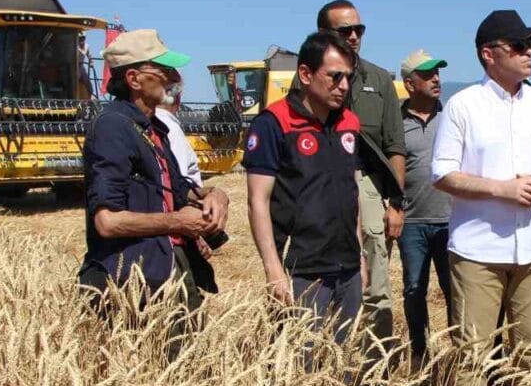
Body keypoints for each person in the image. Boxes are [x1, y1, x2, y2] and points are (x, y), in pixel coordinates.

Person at [431, 10, 531, 386]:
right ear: (488, 54)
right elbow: (442, 173)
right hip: (477, 251)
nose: (529, 52)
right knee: (473, 351)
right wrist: (501, 190)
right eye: (519, 45)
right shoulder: (462, 106)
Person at [78, 29, 228, 357]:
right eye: (162, 71)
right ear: (133, 78)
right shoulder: (112, 128)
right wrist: (177, 223)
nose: (173, 77)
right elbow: (107, 222)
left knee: (189, 374)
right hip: (131, 280)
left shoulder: (153, 129)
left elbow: (179, 188)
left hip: (166, 272)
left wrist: (215, 195)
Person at [244, 31, 363, 342]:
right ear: (306, 74)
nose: (344, 86)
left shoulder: (349, 122)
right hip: (302, 271)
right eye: (335, 77)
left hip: (348, 268)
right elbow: (258, 200)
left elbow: (353, 190)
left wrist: (361, 257)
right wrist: (273, 269)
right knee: (301, 366)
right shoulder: (274, 123)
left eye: (348, 77)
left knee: (344, 364)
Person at [317, 0, 405, 358]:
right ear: (324, 33)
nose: (354, 37)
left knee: (376, 286)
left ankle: (375, 370)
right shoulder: (306, 79)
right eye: (344, 31)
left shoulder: (380, 80)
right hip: (321, 187)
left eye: (359, 30)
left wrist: (396, 204)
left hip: (367, 185)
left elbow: (395, 147)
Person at [397, 49, 454, 365]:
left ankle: (462, 354)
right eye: (428, 74)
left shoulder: (451, 118)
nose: (436, 79)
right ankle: (419, 352)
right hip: (412, 222)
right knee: (414, 289)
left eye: (438, 73)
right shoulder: (395, 121)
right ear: (409, 83)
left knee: (455, 291)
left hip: (451, 221)